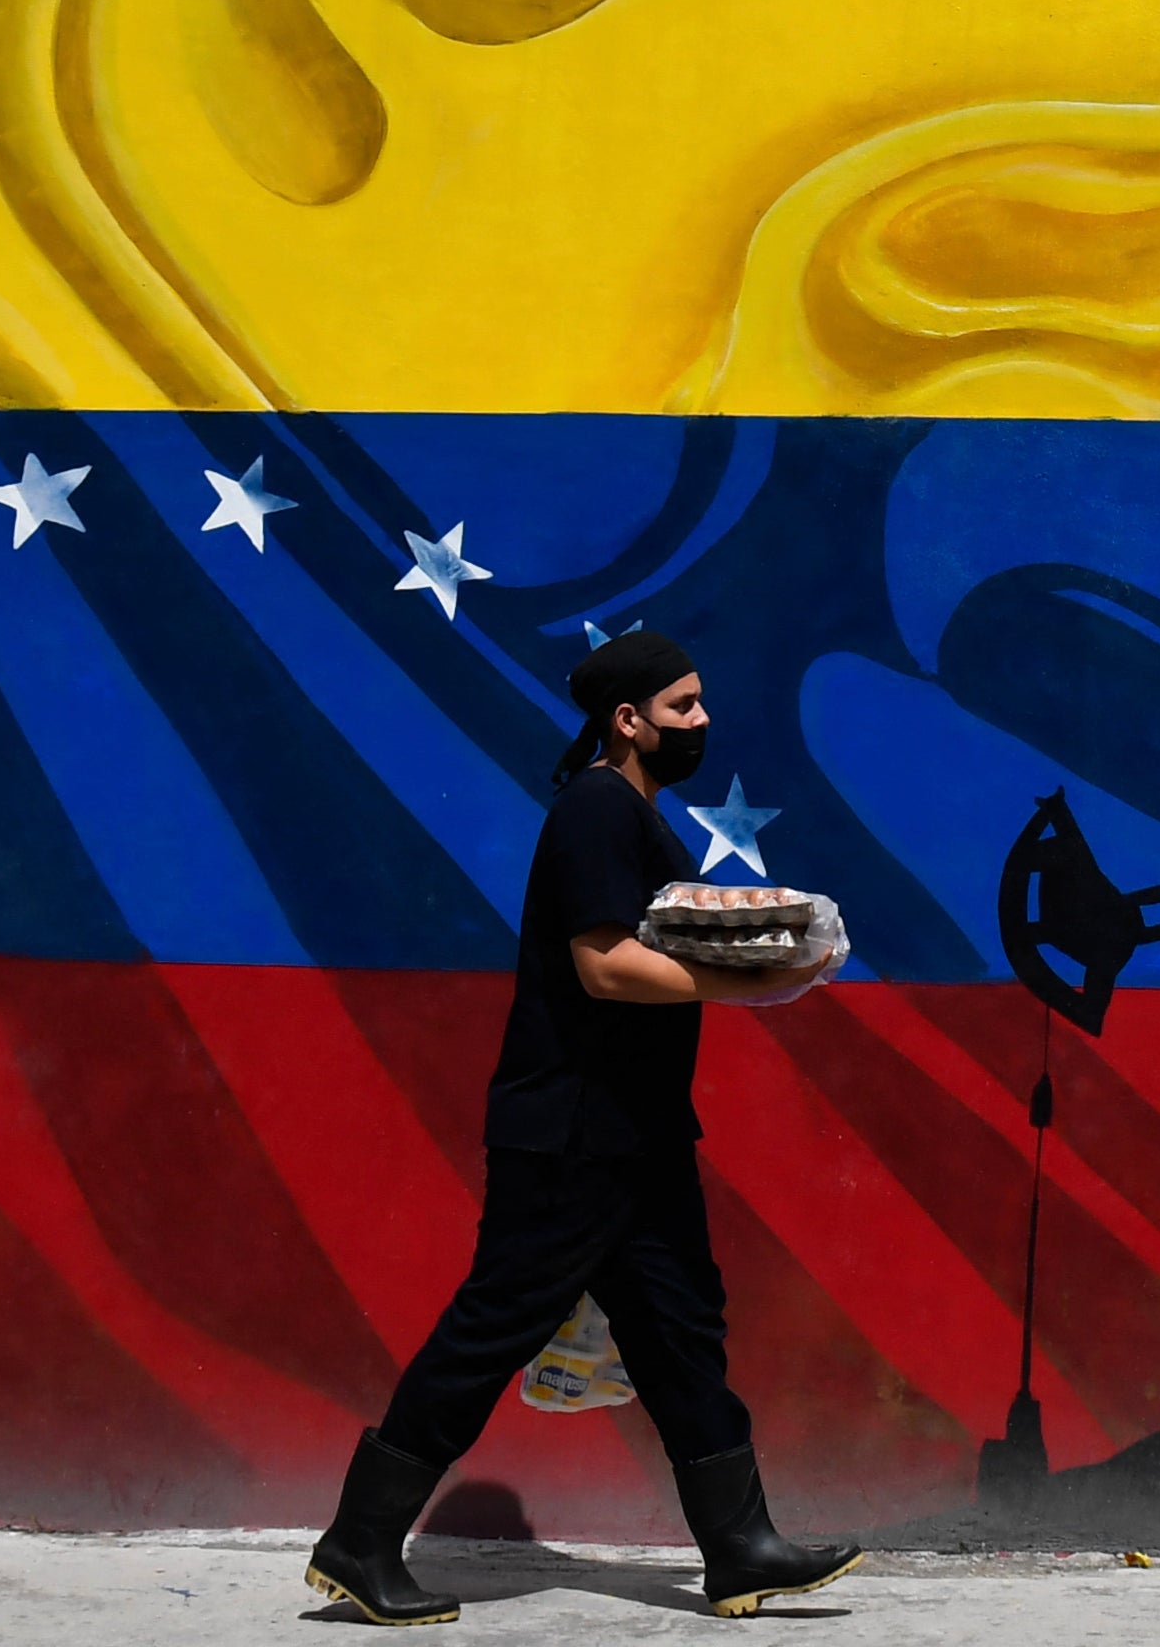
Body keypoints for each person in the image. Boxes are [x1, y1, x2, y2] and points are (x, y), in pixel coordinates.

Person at [305, 632, 853, 1625]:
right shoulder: (597, 810)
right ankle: (360, 1539)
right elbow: (604, 965)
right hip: (571, 1131)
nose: (702, 718)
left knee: (683, 1328)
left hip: (635, 1132)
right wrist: (756, 980)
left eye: (700, 701)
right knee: (490, 1331)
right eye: (682, 705)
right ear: (627, 718)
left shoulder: (633, 813)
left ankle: (740, 1548)